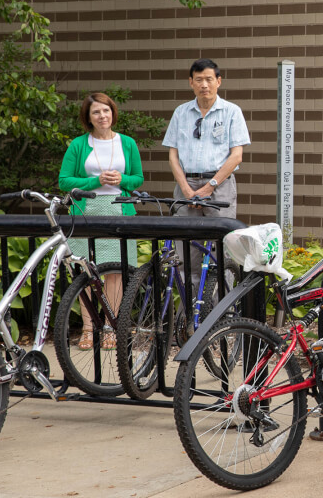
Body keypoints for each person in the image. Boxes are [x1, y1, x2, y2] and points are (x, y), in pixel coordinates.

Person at [59, 92, 144, 350]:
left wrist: (123, 181)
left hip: (120, 210)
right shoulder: (78, 145)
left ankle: (109, 328)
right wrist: (96, 181)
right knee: (86, 273)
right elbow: (64, 181)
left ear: (113, 112)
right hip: (86, 212)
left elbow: (138, 178)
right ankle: (87, 329)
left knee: (115, 273)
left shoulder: (127, 143)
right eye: (96, 112)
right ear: (88, 117)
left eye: (106, 110)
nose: (102, 116)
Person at [162, 58, 250, 288]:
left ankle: (224, 313)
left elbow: (236, 156)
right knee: (184, 252)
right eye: (199, 80)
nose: (204, 85)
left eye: (209, 79)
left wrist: (208, 186)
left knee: (223, 251)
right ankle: (188, 316)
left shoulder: (232, 112)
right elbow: (173, 156)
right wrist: (186, 189)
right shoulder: (181, 112)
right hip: (186, 186)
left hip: (220, 187)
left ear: (218, 81)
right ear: (191, 82)